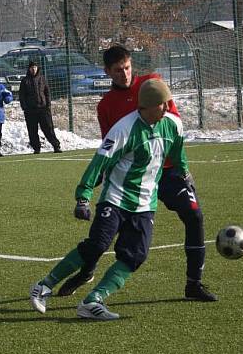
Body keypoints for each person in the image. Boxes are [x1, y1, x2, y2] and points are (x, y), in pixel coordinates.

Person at [57, 45, 217, 302]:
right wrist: (91, 187)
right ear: (107, 72)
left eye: (128, 67)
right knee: (105, 235)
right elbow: (110, 150)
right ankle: (86, 271)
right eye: (118, 70)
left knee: (195, 215)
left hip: (166, 171)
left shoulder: (153, 85)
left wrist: (183, 170)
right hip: (131, 179)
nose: (125, 74)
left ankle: (193, 284)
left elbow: (173, 127)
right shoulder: (106, 106)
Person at [29, 78, 185, 320]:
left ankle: (92, 301)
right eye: (161, 104)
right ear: (146, 105)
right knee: (97, 245)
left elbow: (177, 153)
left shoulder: (172, 125)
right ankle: (43, 286)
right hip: (115, 199)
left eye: (167, 103)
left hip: (145, 205)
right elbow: (99, 162)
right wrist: (83, 196)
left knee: (135, 256)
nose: (166, 108)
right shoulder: (123, 129)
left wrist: (184, 173)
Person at [19, 59, 62, 154]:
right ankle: (36, 148)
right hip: (30, 110)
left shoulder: (42, 78)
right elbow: (22, 96)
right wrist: (25, 107)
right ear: (29, 69)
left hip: (43, 109)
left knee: (48, 128)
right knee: (32, 130)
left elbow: (47, 93)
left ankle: (56, 146)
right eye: (31, 68)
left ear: (37, 68)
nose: (33, 69)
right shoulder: (25, 81)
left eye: (35, 67)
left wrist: (48, 105)